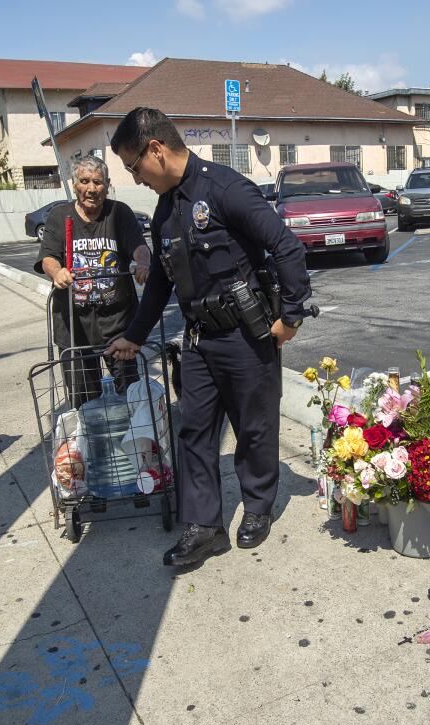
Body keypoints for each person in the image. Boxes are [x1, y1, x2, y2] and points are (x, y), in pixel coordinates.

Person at [105, 107, 312, 567]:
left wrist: (292, 318)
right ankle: (204, 527)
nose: (135, 178)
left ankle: (257, 507)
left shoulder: (224, 188)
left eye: (133, 166)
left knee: (254, 429)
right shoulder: (163, 212)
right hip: (199, 341)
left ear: (155, 150)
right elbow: (160, 281)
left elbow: (286, 246)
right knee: (194, 430)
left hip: (246, 336)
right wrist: (134, 336)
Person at [35, 155, 151, 406]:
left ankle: (131, 443)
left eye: (97, 182)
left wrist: (143, 262)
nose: (91, 188)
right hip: (74, 326)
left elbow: (139, 246)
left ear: (107, 185)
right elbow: (48, 257)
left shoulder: (119, 213)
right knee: (84, 402)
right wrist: (57, 273)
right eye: (84, 181)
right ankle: (93, 443)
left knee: (131, 396)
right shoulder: (59, 216)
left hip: (118, 323)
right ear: (75, 183)